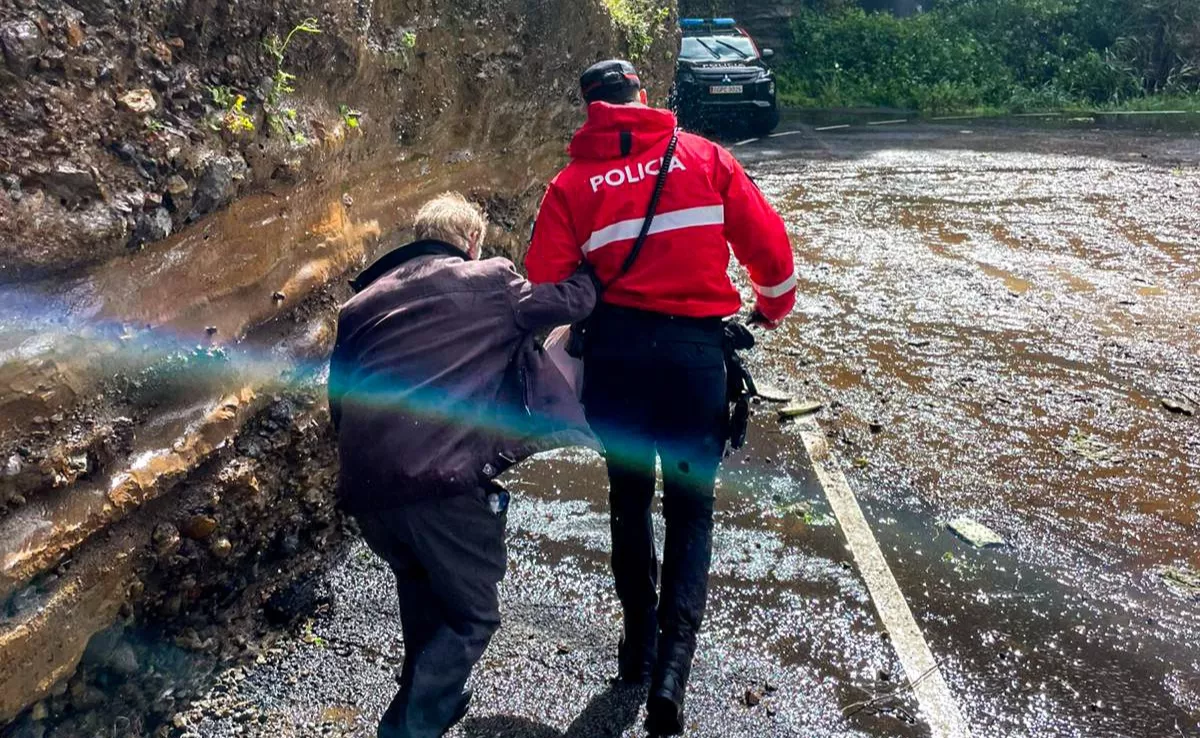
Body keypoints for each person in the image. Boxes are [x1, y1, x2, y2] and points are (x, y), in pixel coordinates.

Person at [525, 60, 796, 735]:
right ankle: (672, 675)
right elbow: (771, 253)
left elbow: (543, 279)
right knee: (690, 511)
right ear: (643, 98)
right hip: (692, 362)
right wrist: (770, 309)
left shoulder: (571, 184)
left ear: (590, 110)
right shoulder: (705, 158)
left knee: (627, 500)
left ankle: (635, 650)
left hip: (616, 361)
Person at [328, 192, 599, 738]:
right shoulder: (490, 280)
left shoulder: (359, 307)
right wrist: (595, 270)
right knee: (473, 613)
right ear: (471, 243)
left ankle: (431, 698)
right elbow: (568, 303)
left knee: (422, 589)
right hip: (437, 483)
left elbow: (338, 401)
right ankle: (408, 727)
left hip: (367, 490)